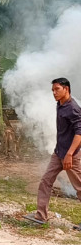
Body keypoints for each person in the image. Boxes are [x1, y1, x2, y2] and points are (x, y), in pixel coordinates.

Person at [25, 78, 81, 227]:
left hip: (71, 155)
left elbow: (79, 133)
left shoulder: (73, 108)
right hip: (58, 153)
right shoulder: (60, 104)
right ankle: (40, 215)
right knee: (46, 181)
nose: (54, 93)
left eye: (57, 89)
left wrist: (69, 154)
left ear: (66, 89)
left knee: (80, 187)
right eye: (52, 90)